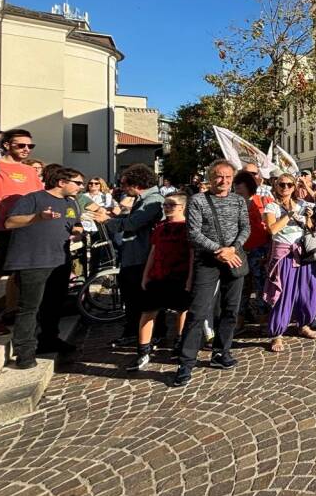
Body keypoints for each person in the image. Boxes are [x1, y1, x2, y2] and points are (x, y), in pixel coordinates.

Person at [171, 159, 251, 387]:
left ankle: (221, 353)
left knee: (230, 309)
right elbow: (193, 233)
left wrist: (232, 248)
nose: (223, 181)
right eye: (218, 176)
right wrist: (218, 250)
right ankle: (186, 363)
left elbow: (245, 228)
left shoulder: (238, 201)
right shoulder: (197, 201)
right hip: (207, 261)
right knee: (197, 311)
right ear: (210, 177)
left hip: (234, 257)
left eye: (227, 177)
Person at [4, 167, 84, 368]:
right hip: (33, 261)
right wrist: (37, 217)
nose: (81, 187)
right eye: (78, 182)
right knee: (29, 308)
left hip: (60, 261)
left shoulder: (71, 203)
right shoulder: (32, 199)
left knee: (54, 305)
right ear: (61, 182)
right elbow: (10, 222)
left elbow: (75, 224)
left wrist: (78, 231)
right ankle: (24, 352)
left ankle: (49, 339)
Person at [94, 164, 164, 347]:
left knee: (140, 298)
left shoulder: (151, 200)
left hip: (141, 256)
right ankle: (139, 332)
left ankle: (146, 334)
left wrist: (107, 221)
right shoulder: (144, 199)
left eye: (125, 184)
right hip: (136, 255)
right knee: (135, 297)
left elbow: (133, 224)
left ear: (137, 184)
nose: (123, 188)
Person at [127, 193, 193, 371]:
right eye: (165, 204)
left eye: (171, 204)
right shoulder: (160, 227)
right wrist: (146, 275)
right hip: (158, 274)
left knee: (182, 310)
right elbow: (153, 251)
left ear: (182, 207)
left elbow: (193, 255)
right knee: (148, 312)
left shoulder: (189, 227)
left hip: (179, 274)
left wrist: (190, 278)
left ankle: (179, 345)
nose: (167, 207)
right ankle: (142, 351)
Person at [0, 129, 44, 335]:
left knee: (16, 272)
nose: (26, 149)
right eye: (21, 145)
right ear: (6, 145)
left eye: (30, 146)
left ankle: (11, 310)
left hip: (24, 228)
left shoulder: (30, 172)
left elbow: (39, 198)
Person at [263, 173, 316, 353]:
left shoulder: (302, 204)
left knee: (307, 290)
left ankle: (303, 324)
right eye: (282, 184)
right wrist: (288, 215)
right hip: (283, 255)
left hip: (303, 252)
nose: (285, 188)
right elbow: (272, 230)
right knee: (283, 293)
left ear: (294, 187)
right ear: (276, 186)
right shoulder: (271, 206)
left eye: (289, 184)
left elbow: (311, 228)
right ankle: (277, 333)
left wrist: (309, 218)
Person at [233, 171, 270, 325]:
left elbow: (271, 227)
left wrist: (269, 252)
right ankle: (239, 321)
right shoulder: (232, 204)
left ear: (248, 187)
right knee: (241, 288)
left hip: (259, 250)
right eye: (235, 189)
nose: (237, 192)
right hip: (240, 252)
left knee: (261, 287)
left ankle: (263, 321)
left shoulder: (264, 201)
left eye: (239, 188)